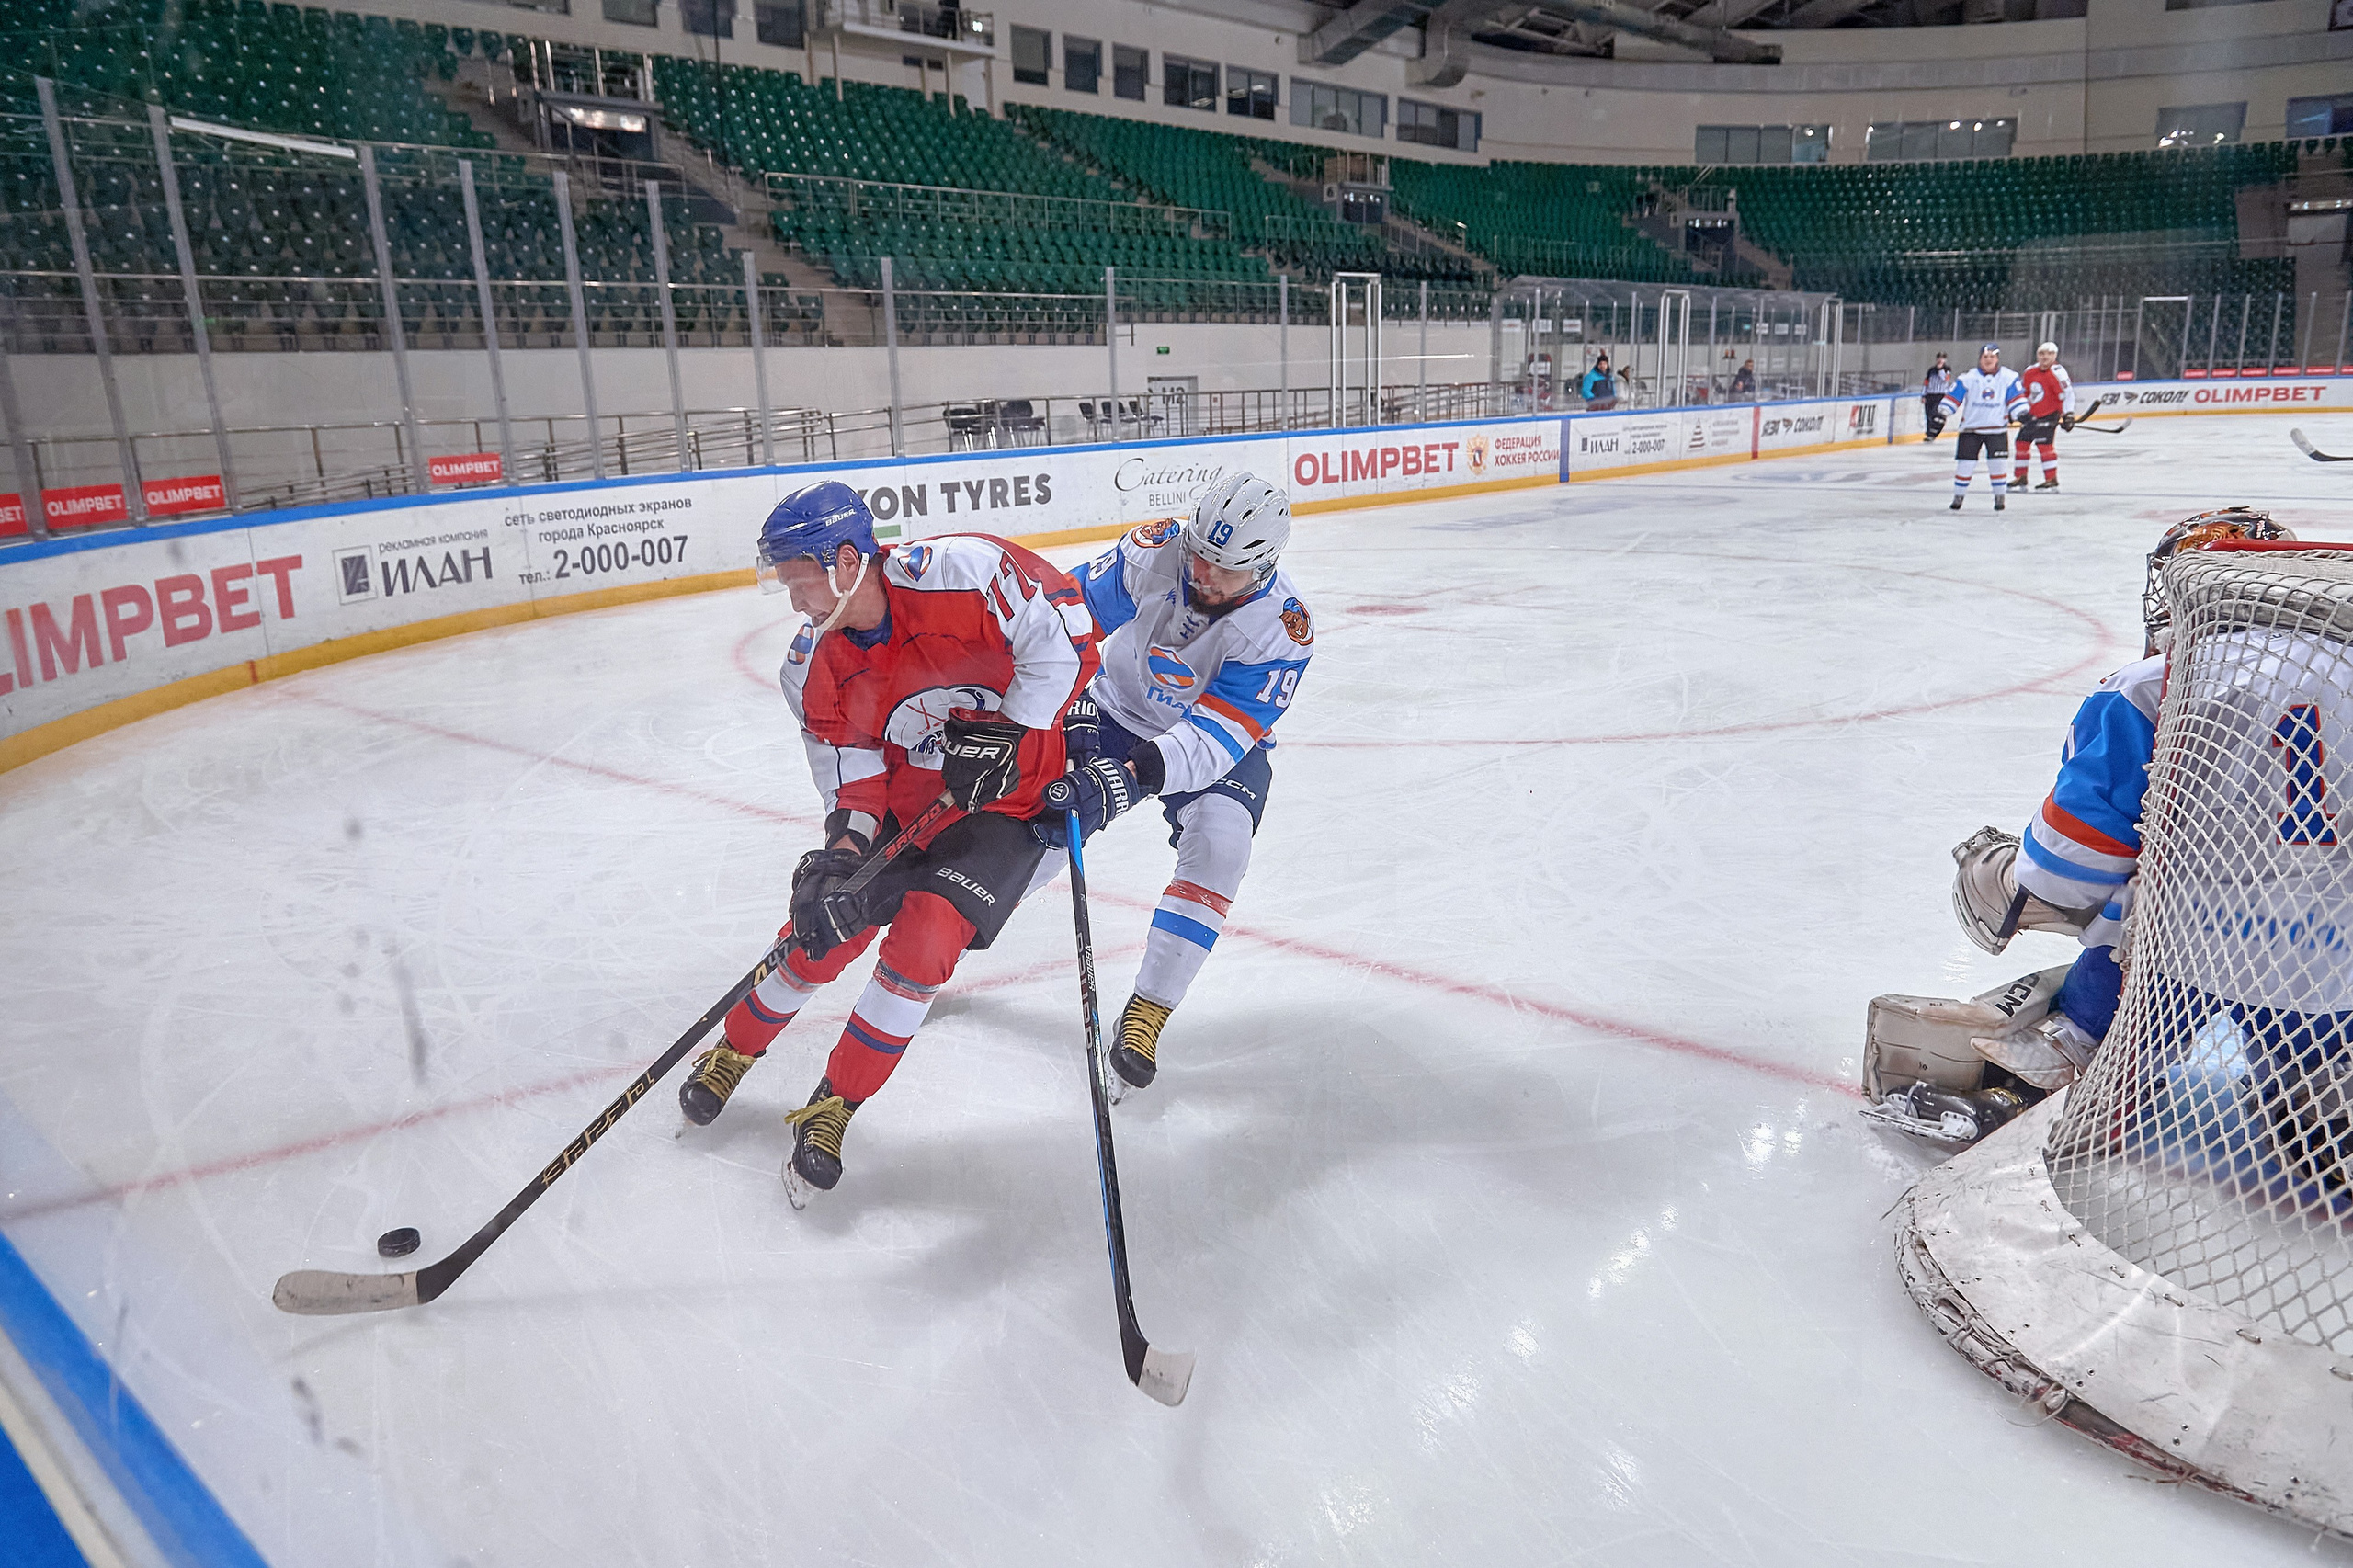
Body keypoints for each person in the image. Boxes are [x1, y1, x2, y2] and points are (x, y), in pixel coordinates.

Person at [675, 481, 1101, 1200]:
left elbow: (1071, 642)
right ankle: (733, 1051)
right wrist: (838, 860)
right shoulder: (812, 666)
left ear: (847, 560)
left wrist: (1012, 730)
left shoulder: (962, 574)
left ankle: (835, 1103)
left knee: (925, 940)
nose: (794, 600)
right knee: (818, 931)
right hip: (910, 811)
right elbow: (854, 783)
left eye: (800, 580)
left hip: (1010, 807)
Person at [1862, 507, 2299, 1144]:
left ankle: (2044, 1084)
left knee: (2137, 908)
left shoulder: (2151, 687)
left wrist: (2018, 877)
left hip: (2186, 965)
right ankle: (2313, 1103)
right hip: (2332, 978)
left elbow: (2073, 868)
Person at [1041, 472, 1311, 1096]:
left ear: (1265, 566)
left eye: (1226, 570)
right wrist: (1069, 700)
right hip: (1117, 708)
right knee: (1046, 817)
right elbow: (1065, 617)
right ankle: (964, 925)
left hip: (1213, 737)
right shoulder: (1157, 550)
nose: (1205, 576)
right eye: (1201, 557)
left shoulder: (1283, 629)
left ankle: (1148, 1011)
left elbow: (1215, 738)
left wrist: (1126, 780)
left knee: (1222, 846)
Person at [1936, 342, 2027, 512]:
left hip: (1997, 430)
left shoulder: (2009, 377)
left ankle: (1999, 498)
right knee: (1965, 465)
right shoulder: (1967, 378)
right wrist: (1943, 412)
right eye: (1985, 357)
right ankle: (1958, 497)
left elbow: (2016, 399)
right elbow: (1953, 397)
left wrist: (2022, 413)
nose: (1988, 360)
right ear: (1980, 359)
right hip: (1971, 430)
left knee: (1998, 465)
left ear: (1997, 359)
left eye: (1992, 357)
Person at [2008, 342, 2076, 493]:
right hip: (2031, 416)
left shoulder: (2058, 372)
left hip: (2049, 414)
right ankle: (2021, 477)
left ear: (2055, 356)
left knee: (2044, 447)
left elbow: (2067, 394)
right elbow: (2023, 393)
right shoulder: (2030, 371)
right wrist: (2017, 412)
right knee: (2021, 443)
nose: (2045, 357)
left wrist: (2068, 414)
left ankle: (2051, 479)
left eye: (2049, 354)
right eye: (2042, 354)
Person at [1921, 353, 1954, 434]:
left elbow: (1945, 379)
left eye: (1942, 358)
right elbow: (1926, 383)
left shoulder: (1947, 370)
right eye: (1939, 358)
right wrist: (1923, 395)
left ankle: (1936, 429)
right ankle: (1929, 432)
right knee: (1928, 414)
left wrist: (1940, 370)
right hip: (1930, 394)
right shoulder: (1931, 370)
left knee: (1934, 412)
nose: (1940, 360)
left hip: (1940, 395)